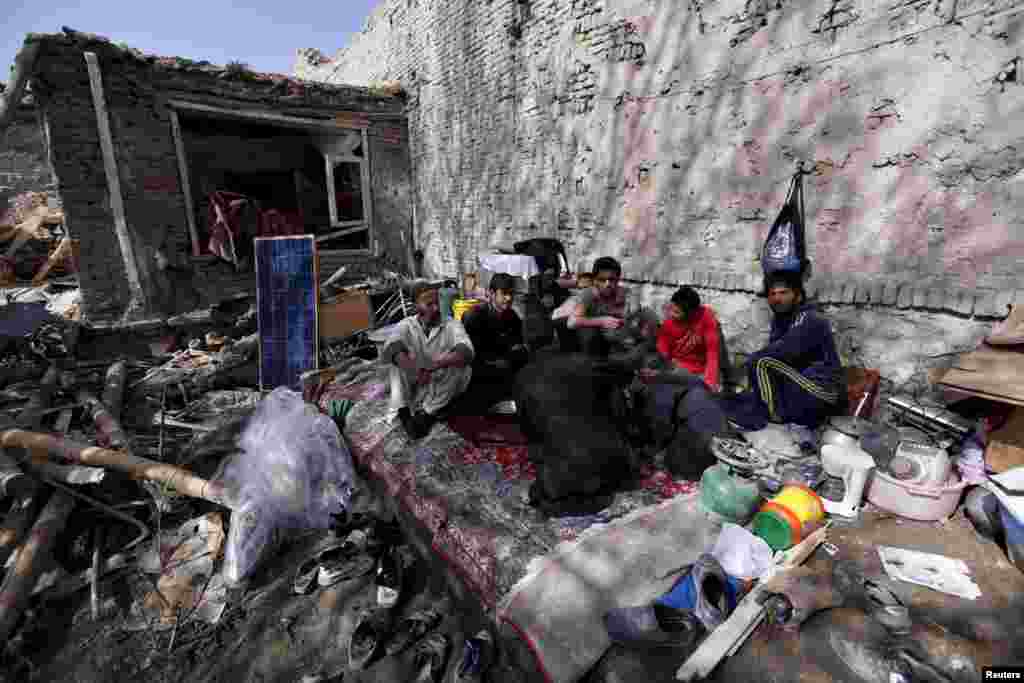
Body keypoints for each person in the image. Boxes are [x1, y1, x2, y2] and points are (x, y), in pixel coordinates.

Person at [721, 270, 846, 430]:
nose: (777, 298)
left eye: (783, 292)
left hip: (822, 392)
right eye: (772, 294)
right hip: (798, 387)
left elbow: (784, 352)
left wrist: (751, 365)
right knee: (734, 399)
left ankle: (768, 419)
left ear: (798, 295)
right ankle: (763, 411)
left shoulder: (811, 318)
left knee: (760, 362)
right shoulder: (781, 320)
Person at [381, 281, 475, 439]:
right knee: (396, 365)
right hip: (421, 383)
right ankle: (403, 410)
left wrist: (437, 363)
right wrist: (415, 370)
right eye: (429, 304)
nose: (436, 308)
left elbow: (467, 350)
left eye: (437, 302)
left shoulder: (451, 324)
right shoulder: (406, 326)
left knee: (459, 365)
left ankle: (428, 413)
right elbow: (391, 348)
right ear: (416, 306)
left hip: (443, 382)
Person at [458, 273, 530, 411]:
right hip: (480, 367)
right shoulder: (474, 316)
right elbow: (469, 354)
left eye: (511, 294)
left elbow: (518, 343)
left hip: (504, 362)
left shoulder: (512, 316)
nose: (509, 298)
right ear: (491, 293)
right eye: (504, 293)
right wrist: (492, 361)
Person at [648, 286, 722, 392]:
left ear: (691, 313)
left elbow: (712, 353)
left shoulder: (706, 317)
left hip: (700, 374)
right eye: (671, 308)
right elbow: (662, 354)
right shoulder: (667, 325)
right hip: (675, 371)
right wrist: (655, 371)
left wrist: (711, 382)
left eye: (677, 312)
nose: (671, 314)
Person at [567, 256, 630, 356]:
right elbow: (571, 322)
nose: (607, 284)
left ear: (618, 279)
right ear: (595, 280)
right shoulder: (588, 294)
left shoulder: (624, 293)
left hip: (613, 335)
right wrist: (602, 321)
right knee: (590, 333)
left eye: (612, 279)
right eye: (602, 280)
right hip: (592, 337)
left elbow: (633, 313)